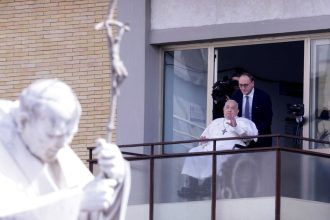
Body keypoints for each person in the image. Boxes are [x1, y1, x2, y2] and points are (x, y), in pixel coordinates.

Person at [0, 79, 130, 220]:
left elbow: (88, 205)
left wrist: (113, 176)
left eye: (69, 135)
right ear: (23, 121)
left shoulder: (51, 144)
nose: (61, 145)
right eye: (52, 135)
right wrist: (77, 202)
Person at [178, 100, 257, 198]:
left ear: (237, 111)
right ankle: (193, 186)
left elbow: (249, 139)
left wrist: (236, 127)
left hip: (230, 152)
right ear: (223, 109)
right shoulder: (216, 122)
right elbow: (203, 137)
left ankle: (206, 187)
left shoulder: (243, 122)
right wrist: (203, 141)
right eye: (227, 107)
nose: (229, 110)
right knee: (193, 152)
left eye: (232, 108)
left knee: (216, 156)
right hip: (209, 149)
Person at [232, 72, 273, 147]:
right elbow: (233, 116)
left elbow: (268, 120)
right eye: (240, 85)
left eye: (246, 85)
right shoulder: (236, 96)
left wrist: (253, 133)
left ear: (252, 83)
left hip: (260, 138)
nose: (243, 88)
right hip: (241, 139)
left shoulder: (263, 97)